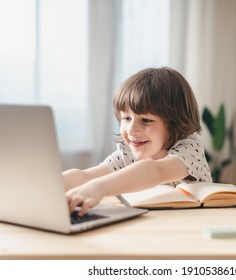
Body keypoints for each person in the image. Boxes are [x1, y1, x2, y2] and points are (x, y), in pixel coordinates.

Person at [63, 67, 212, 216]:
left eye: (146, 120)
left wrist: (98, 187)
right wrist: (48, 185)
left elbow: (154, 171)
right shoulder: (128, 151)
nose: (131, 130)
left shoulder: (189, 147)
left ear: (176, 123)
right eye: (126, 118)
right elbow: (87, 176)